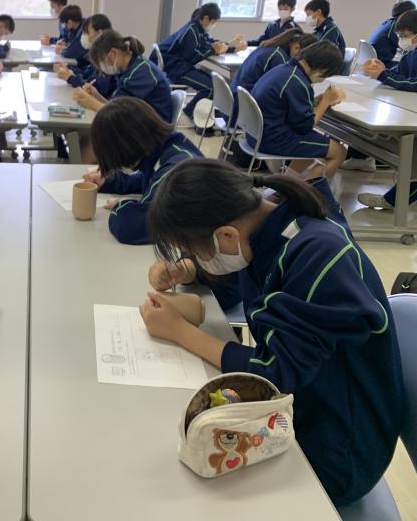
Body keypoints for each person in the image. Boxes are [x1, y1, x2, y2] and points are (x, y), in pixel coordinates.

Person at [143, 158, 403, 508]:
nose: (198, 257)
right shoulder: (266, 222)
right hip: (303, 407)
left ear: (225, 235)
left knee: (187, 489)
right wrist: (188, 270)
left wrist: (180, 332)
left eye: (196, 251)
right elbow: (238, 280)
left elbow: (275, 372)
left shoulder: (317, 255)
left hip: (337, 452)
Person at [83, 97, 201, 244]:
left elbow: (130, 226)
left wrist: (122, 205)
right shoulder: (164, 148)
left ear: (126, 149)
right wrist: (107, 182)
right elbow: (149, 179)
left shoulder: (176, 171)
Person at [250, 41, 347, 178]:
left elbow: (287, 105)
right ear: (323, 68)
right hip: (272, 140)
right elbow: (305, 127)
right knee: (339, 152)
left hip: (255, 134)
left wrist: (315, 102)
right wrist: (326, 101)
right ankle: (299, 189)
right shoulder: (298, 82)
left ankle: (287, 182)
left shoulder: (284, 69)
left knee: (316, 142)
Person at [358, 8, 417, 208]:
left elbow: (414, 84)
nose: (401, 40)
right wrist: (381, 70)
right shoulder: (411, 54)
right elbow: (399, 74)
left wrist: (383, 76)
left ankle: (394, 200)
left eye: (404, 35)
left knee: (414, 157)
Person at [157, 2, 247, 120]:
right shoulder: (191, 31)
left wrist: (232, 47)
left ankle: (207, 113)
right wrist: (212, 50)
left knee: (215, 84)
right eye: (213, 22)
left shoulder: (198, 30)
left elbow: (210, 43)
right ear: (206, 19)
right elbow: (192, 57)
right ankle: (189, 112)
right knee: (211, 88)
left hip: (182, 66)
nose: (213, 25)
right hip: (177, 69)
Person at [73, 30, 173, 123]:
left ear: (113, 53)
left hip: (152, 129)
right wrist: (96, 96)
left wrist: (91, 102)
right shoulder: (130, 69)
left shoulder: (141, 73)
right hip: (141, 124)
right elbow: (115, 106)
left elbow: (117, 114)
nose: (103, 68)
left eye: (102, 62)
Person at [230, 29, 318, 124]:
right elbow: (285, 97)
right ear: (297, 48)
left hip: (234, 106)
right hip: (242, 113)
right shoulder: (279, 59)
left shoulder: (269, 47)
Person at [368, 0, 416, 67]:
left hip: (374, 59)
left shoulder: (387, 23)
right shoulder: (397, 27)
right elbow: (405, 48)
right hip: (382, 62)